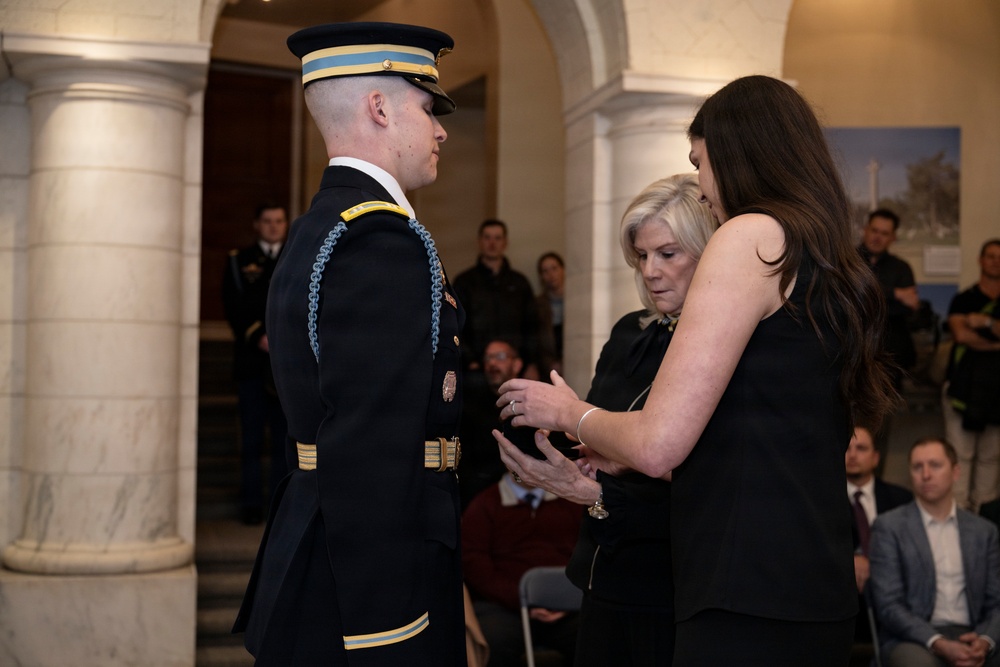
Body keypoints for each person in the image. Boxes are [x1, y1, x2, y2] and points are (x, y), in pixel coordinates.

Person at [495, 75, 898, 665]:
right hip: (811, 580)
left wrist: (570, 414)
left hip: (744, 583)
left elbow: (661, 443)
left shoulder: (752, 236)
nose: (704, 188)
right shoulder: (823, 254)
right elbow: (757, 439)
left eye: (700, 162)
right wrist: (616, 451)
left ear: (736, 155)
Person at [232, 22, 467, 665]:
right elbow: (368, 442)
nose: (441, 129)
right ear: (380, 108)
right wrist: (386, 629)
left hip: (320, 542)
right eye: (428, 109)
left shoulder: (319, 227)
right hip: (366, 586)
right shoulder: (382, 239)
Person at [496, 173, 716, 666]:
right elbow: (597, 448)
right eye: (642, 256)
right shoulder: (629, 334)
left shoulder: (720, 349)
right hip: (601, 571)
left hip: (673, 583)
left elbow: (701, 478)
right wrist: (567, 456)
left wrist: (594, 479)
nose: (651, 271)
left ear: (709, 252)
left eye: (668, 253)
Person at [869, 438, 1000, 667]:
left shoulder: (983, 531)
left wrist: (985, 640)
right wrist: (938, 642)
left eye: (935, 465)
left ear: (956, 471)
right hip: (913, 638)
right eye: (917, 467)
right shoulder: (889, 527)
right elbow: (889, 604)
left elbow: (997, 600)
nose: (926, 474)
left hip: (973, 633)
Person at [461, 472, 581, 667]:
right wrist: (523, 600)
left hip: (567, 606)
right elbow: (474, 564)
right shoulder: (485, 504)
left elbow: (586, 556)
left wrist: (567, 598)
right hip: (505, 607)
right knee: (492, 639)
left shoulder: (571, 501)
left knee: (596, 633)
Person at [221, 202, 290, 525]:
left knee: (282, 440)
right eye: (268, 221)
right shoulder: (240, 261)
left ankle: (278, 504)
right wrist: (260, 336)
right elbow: (234, 306)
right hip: (251, 362)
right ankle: (250, 503)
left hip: (286, 366)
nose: (274, 226)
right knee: (250, 440)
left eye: (279, 221)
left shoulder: (297, 256)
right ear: (257, 224)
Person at [943, 239, 1000, 510]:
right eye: (990, 256)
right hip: (962, 389)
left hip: (997, 393)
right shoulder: (964, 298)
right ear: (980, 260)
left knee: (992, 457)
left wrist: (986, 322)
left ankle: (985, 520)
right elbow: (961, 334)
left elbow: (972, 334)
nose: (995, 261)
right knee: (961, 456)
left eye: (999, 257)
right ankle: (960, 517)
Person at [846, 424, 912, 643]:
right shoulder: (822, 503)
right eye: (847, 448)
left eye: (861, 448)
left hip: (894, 591)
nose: (853, 455)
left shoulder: (902, 499)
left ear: (875, 458)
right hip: (844, 593)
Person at [454, 220, 541, 381]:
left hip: (515, 370)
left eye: (497, 238)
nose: (492, 243)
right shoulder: (464, 282)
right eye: (487, 238)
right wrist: (470, 360)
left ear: (505, 243)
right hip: (475, 371)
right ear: (480, 242)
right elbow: (456, 324)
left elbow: (532, 327)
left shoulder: (520, 282)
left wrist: (531, 363)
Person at [458, 339, 524, 510]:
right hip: (481, 499)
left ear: (516, 364)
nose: (492, 363)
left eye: (500, 357)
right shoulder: (470, 407)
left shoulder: (531, 404)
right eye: (487, 359)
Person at [859, 208, 920, 388]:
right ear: (865, 229)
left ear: (893, 237)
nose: (877, 237)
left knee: (887, 411)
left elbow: (908, 308)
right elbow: (844, 298)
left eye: (884, 233)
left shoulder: (901, 268)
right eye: (874, 230)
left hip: (891, 353)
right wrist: (896, 294)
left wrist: (866, 297)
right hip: (850, 349)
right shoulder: (846, 260)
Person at [535, 252, 565, 380]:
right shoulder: (537, 305)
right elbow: (537, 340)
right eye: (545, 271)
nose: (551, 274)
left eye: (554, 268)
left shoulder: (576, 302)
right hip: (547, 367)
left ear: (562, 269)